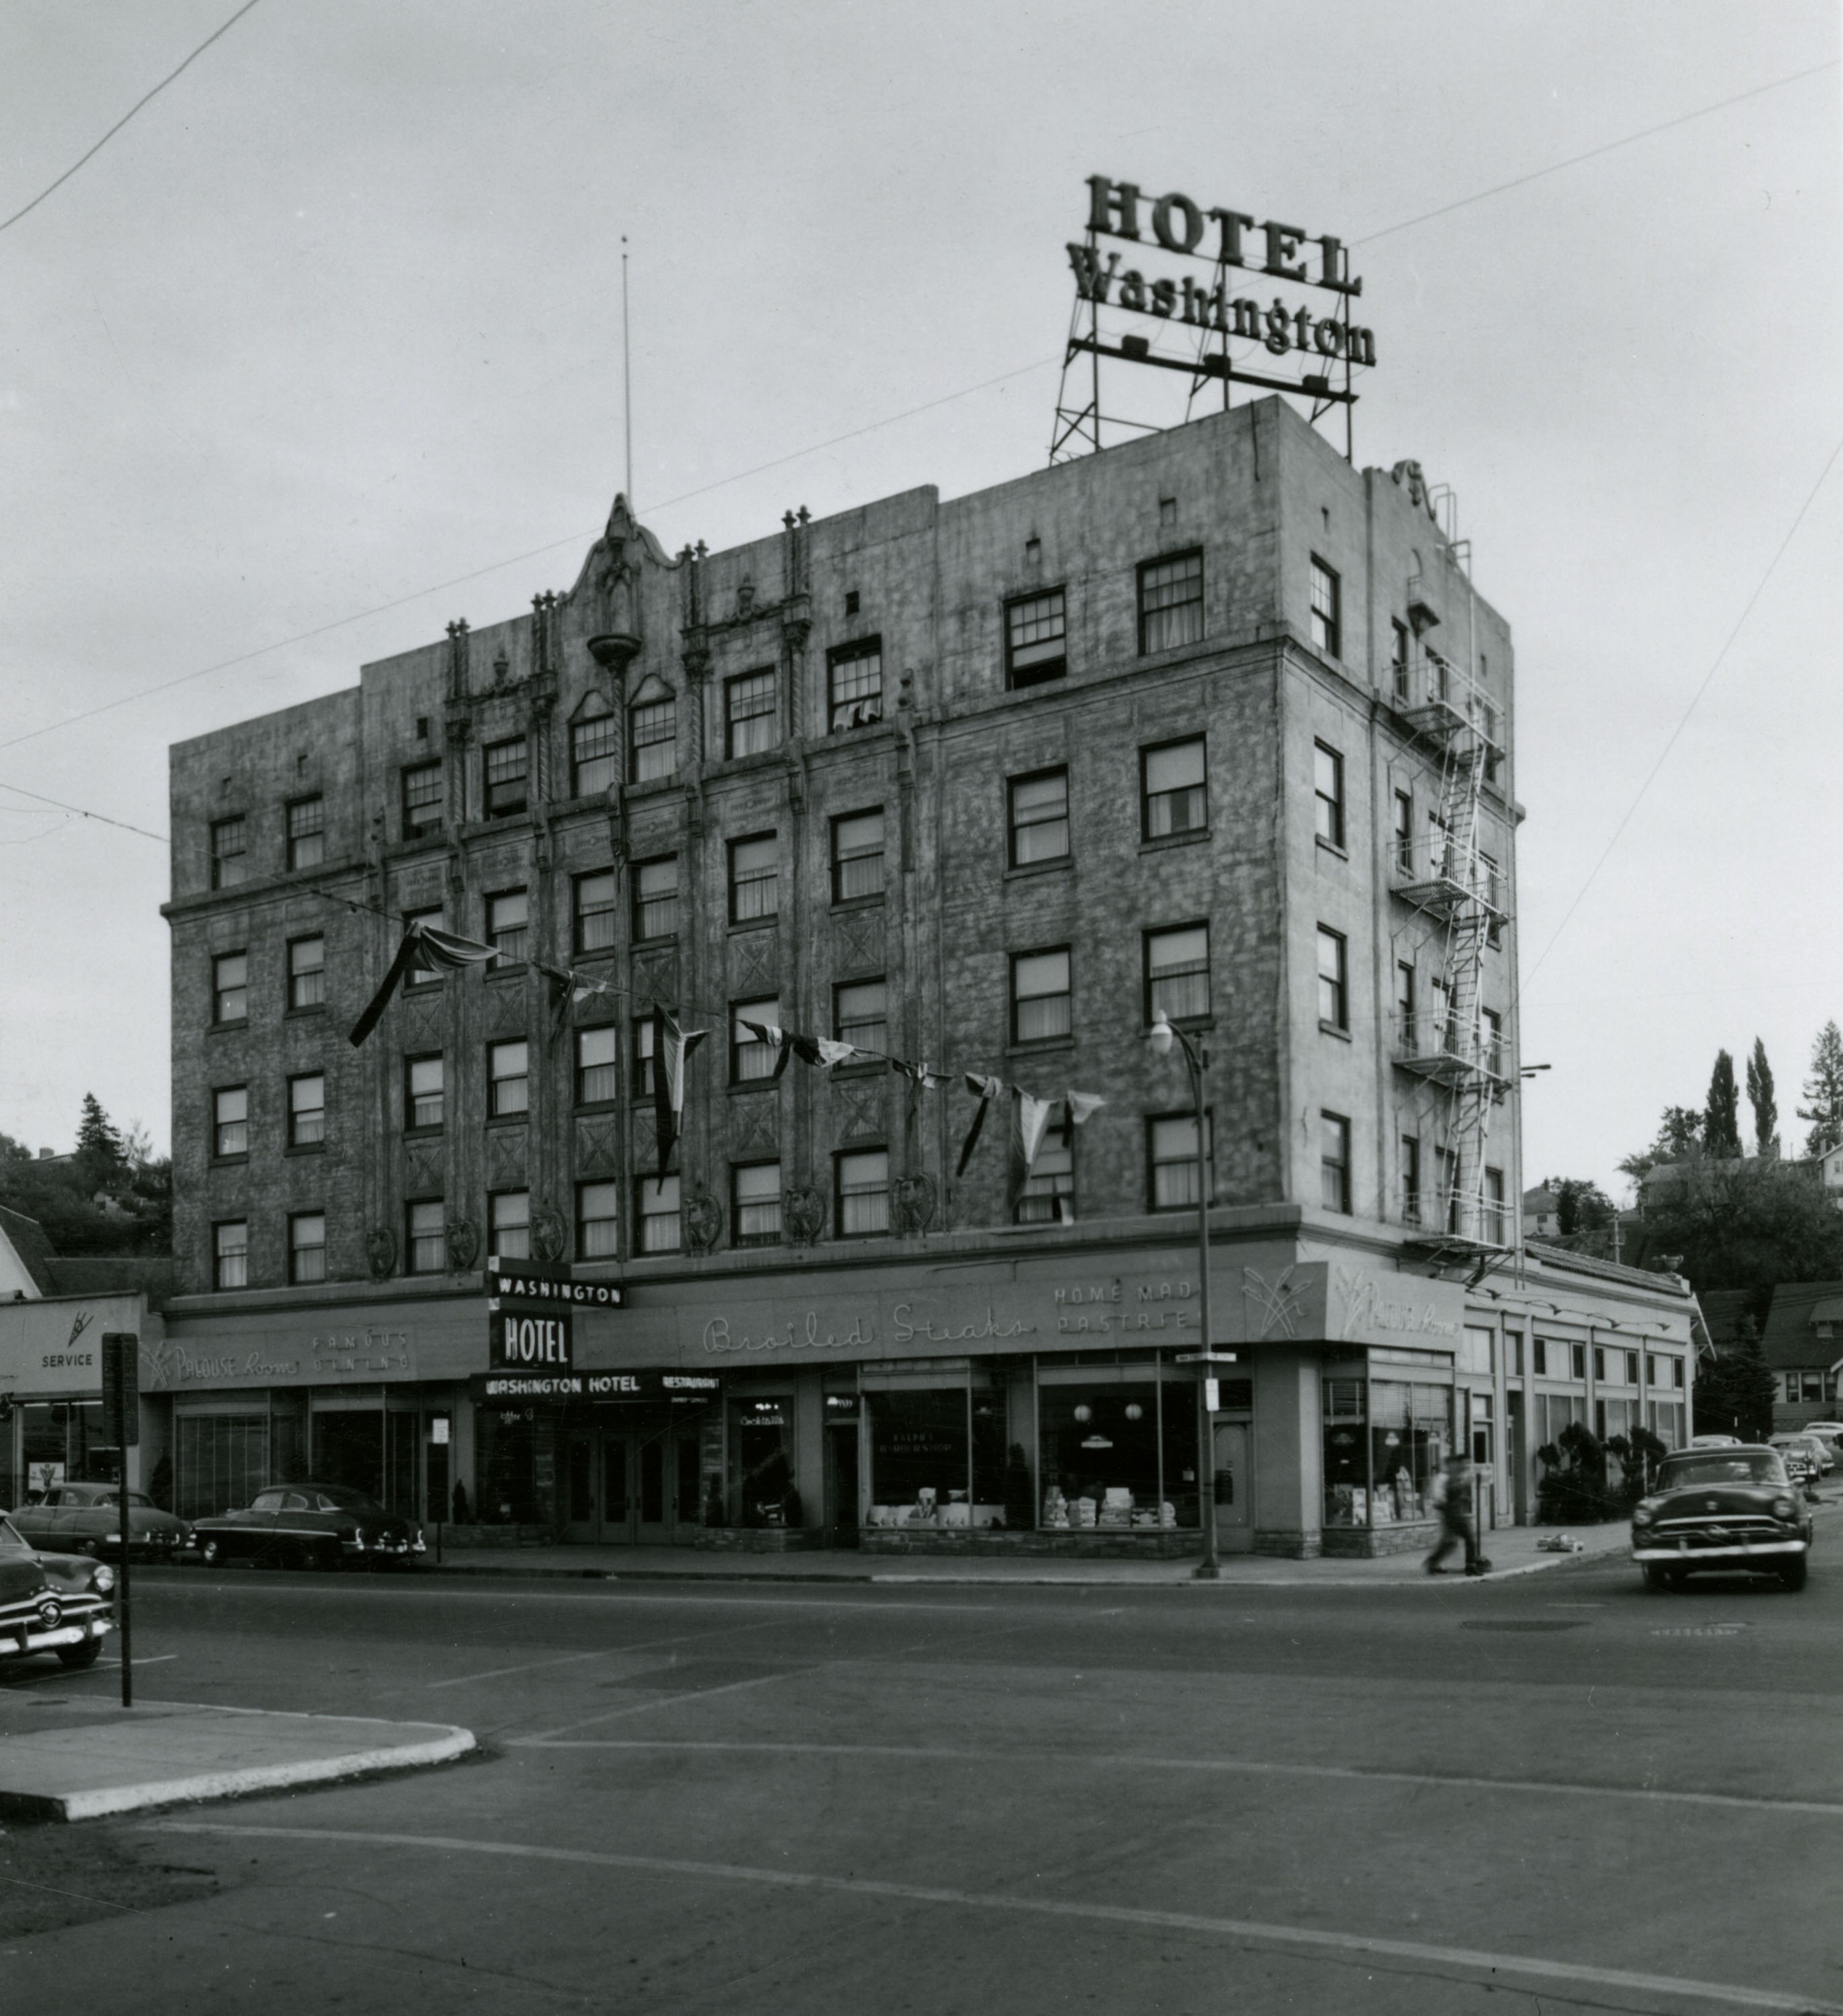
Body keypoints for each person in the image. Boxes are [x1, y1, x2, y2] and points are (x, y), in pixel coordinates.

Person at [1425, 1452, 1491, 1576]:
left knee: (1450, 1543)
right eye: (1464, 1463)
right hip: (1452, 1514)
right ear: (1453, 1464)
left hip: (1456, 1513)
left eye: (1468, 1463)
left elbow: (1456, 1494)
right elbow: (1442, 1496)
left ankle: (1433, 1563)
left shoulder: (1457, 1476)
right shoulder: (1445, 1477)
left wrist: (1464, 1498)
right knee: (1469, 1539)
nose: (1467, 1466)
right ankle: (1470, 1567)